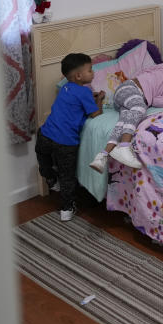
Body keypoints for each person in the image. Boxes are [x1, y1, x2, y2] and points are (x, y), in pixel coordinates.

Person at [88, 63, 163, 172]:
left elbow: (154, 100)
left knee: (124, 121)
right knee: (140, 108)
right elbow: (154, 68)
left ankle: (102, 156)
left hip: (130, 100)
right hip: (129, 88)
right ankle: (124, 146)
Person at [35, 52, 105, 221]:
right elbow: (95, 114)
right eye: (90, 70)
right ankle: (66, 209)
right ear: (79, 76)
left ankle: (50, 177)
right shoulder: (85, 92)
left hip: (45, 134)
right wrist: (100, 99)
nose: (93, 73)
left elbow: (74, 104)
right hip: (66, 143)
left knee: (42, 155)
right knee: (68, 176)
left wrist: (90, 99)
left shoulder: (65, 87)